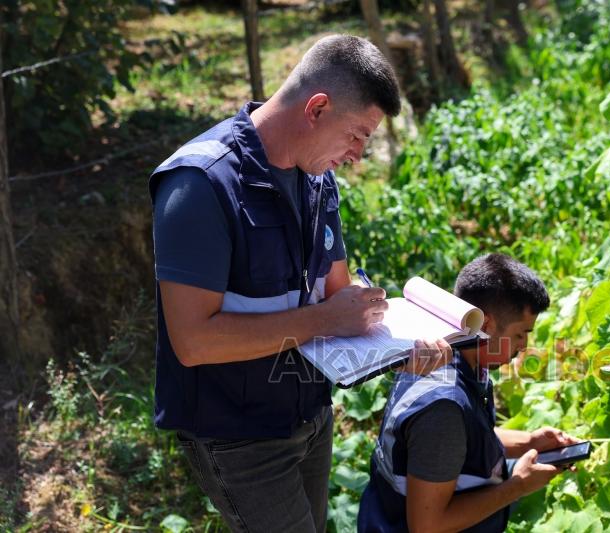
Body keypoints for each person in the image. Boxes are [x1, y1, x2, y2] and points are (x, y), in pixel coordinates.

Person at [149, 35, 451, 533]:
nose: (357, 155)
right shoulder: (200, 185)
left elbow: (337, 294)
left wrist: (403, 348)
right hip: (238, 436)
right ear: (317, 108)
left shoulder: (316, 177)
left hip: (310, 418)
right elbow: (193, 342)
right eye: (356, 136)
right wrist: (325, 319)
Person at [358, 253, 580, 532]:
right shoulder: (443, 410)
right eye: (521, 334)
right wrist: (517, 486)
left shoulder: (446, 353)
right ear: (485, 326)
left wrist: (530, 442)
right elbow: (428, 526)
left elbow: (463, 443)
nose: (524, 346)